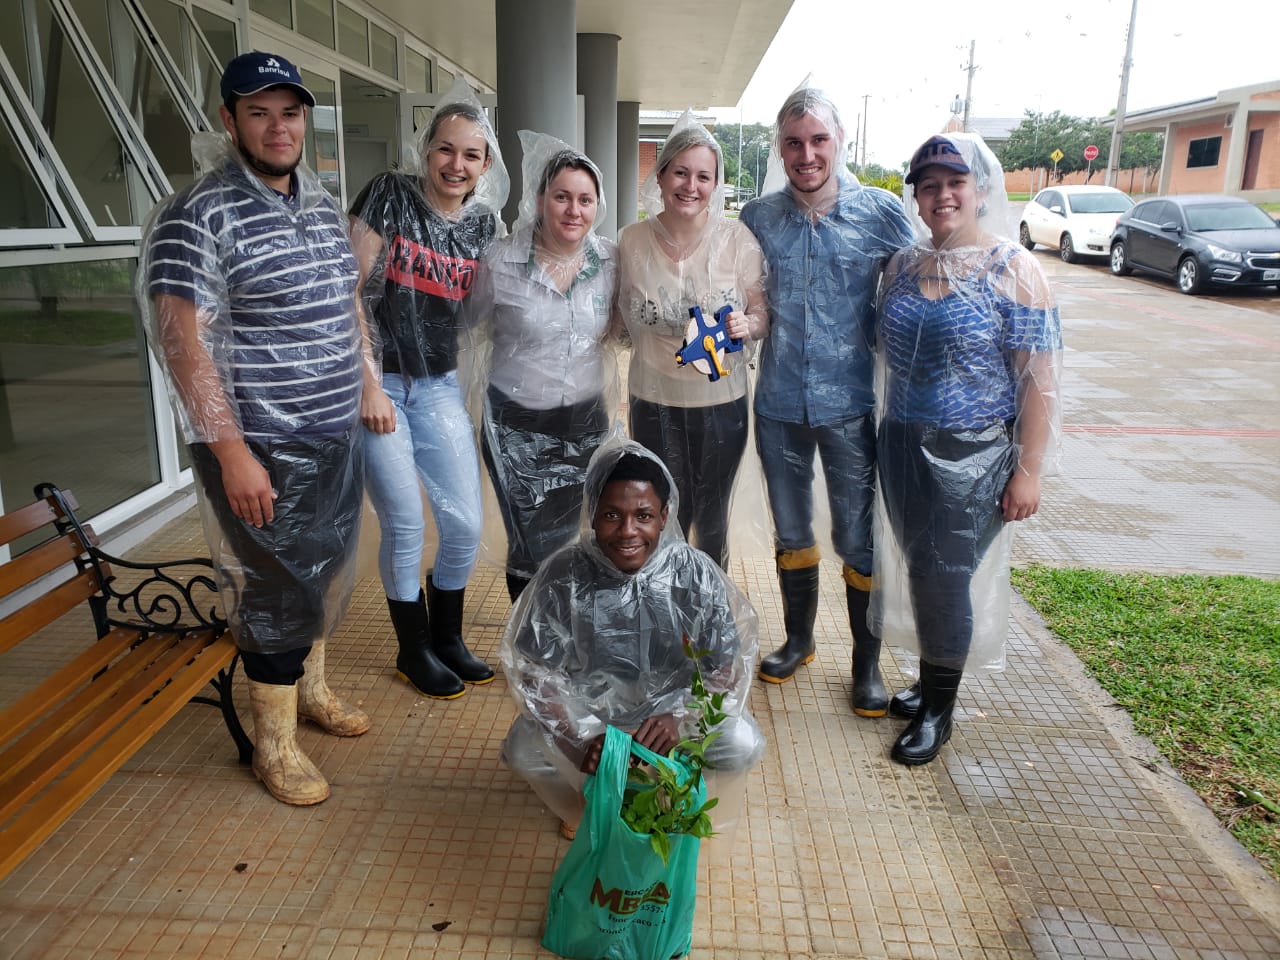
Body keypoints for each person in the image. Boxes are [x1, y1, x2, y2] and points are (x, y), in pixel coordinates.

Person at [139, 51, 370, 806]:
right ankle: (273, 746)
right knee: (274, 591)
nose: (278, 127)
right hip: (262, 445)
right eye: (259, 112)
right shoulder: (197, 214)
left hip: (334, 435)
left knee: (321, 572)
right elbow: (183, 341)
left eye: (290, 112)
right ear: (228, 119)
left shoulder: (321, 206)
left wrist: (367, 384)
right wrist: (233, 453)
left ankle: (311, 690)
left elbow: (347, 305)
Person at [872, 132, 1062, 765]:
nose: (943, 195)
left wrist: (1028, 471)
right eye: (929, 186)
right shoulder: (903, 266)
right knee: (920, 570)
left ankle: (939, 711)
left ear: (981, 189)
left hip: (973, 455)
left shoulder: (1016, 270)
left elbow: (1039, 380)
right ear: (917, 199)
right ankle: (933, 677)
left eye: (956, 182)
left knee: (945, 578)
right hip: (901, 444)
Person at [740, 87, 915, 714]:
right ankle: (799, 640)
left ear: (840, 141)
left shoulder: (881, 213)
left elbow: (926, 275)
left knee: (857, 536)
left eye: (818, 140)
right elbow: (735, 292)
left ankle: (867, 664)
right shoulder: (758, 218)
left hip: (850, 405)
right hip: (778, 403)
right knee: (791, 527)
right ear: (779, 148)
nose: (807, 154)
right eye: (794, 142)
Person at [499, 438, 766, 837]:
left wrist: (682, 718)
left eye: (643, 515)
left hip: (668, 719)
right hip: (593, 719)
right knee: (523, 750)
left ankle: (673, 795)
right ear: (593, 515)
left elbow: (726, 666)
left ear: (664, 515)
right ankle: (584, 803)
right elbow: (535, 674)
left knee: (741, 743)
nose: (628, 531)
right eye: (612, 515)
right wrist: (579, 741)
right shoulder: (563, 575)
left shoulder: (693, 573)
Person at [348, 78, 510, 700]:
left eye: (471, 154)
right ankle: (412, 649)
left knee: (464, 523)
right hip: (380, 385)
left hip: (439, 387)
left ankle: (448, 638)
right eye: (446, 148)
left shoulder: (483, 226)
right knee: (406, 523)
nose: (456, 164)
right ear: (426, 149)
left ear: (486, 165)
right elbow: (347, 291)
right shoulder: (388, 195)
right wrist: (368, 384)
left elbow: (493, 308)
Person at [466, 131, 620, 602]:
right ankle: (533, 634)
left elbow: (622, 326)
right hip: (514, 421)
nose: (574, 211)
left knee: (575, 537)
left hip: (585, 420)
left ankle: (566, 628)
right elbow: (468, 325)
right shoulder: (501, 259)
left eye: (585, 200)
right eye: (562, 197)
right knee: (528, 542)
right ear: (539, 200)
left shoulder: (610, 260)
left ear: (597, 206)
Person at [616, 112, 769, 570]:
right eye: (680, 172)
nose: (691, 186)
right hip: (652, 401)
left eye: (704, 176)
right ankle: (662, 601)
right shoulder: (631, 241)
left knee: (711, 520)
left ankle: (707, 603)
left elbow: (762, 311)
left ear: (715, 184)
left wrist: (748, 325)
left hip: (721, 406)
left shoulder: (737, 240)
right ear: (661, 175)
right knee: (659, 513)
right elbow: (612, 316)